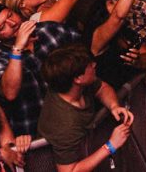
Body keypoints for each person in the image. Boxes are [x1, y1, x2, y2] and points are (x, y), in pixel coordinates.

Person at [36, 44, 136, 172]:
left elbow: (101, 88)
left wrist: (114, 106)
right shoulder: (65, 124)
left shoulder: (72, 86)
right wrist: (111, 146)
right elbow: (70, 170)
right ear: (78, 79)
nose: (94, 65)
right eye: (89, 65)